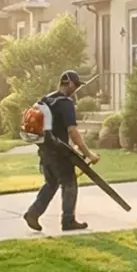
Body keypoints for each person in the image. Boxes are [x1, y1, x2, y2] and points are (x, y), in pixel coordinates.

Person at [24, 69, 95, 233]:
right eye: (76, 85)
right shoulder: (65, 103)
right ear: (69, 83)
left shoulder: (46, 100)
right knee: (69, 183)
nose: (76, 89)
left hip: (44, 150)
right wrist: (88, 153)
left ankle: (33, 213)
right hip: (59, 151)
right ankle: (68, 221)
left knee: (51, 183)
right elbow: (72, 130)